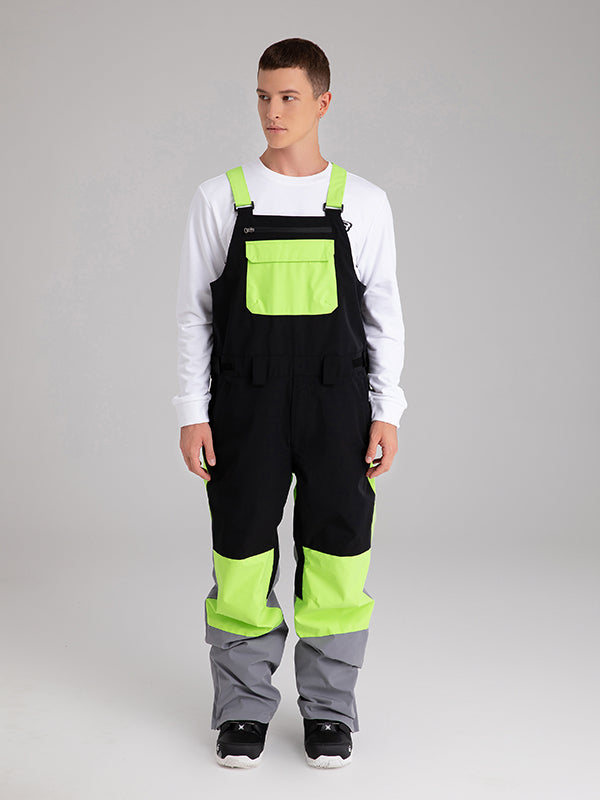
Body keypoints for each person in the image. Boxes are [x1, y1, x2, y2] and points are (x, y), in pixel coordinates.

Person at [172, 37, 407, 769]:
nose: (273, 111)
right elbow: (193, 315)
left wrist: (388, 410)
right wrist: (191, 410)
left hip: (340, 406)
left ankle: (330, 711)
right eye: (263, 97)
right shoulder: (221, 198)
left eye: (289, 97)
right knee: (242, 550)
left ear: (322, 102)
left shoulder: (362, 202)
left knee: (337, 552)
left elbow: (385, 315)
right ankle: (243, 709)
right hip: (244, 405)